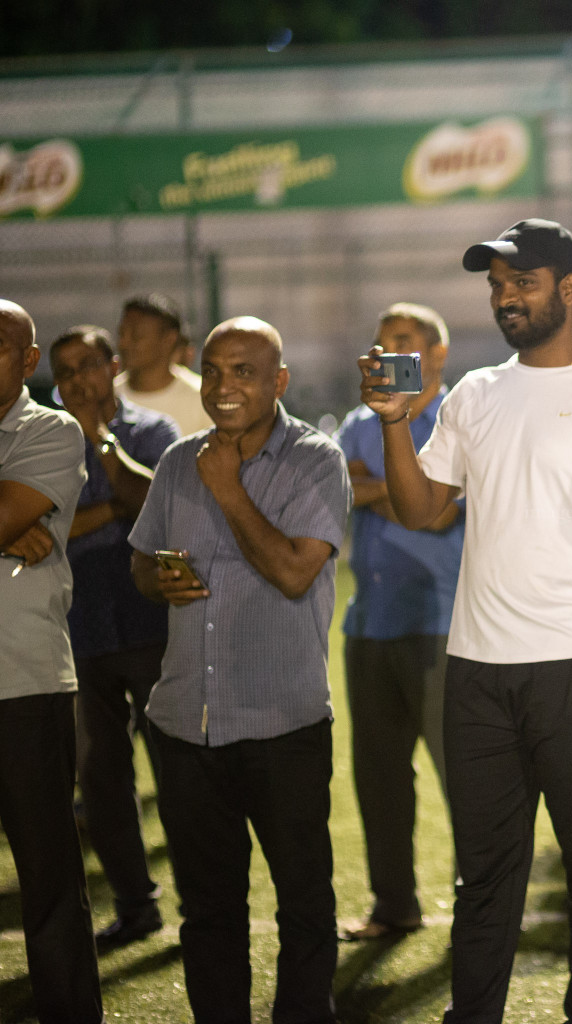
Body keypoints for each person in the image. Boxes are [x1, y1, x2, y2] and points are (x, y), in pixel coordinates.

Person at [359, 217, 572, 1024]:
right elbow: (423, 510)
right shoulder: (473, 393)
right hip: (477, 673)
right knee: (485, 870)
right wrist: (396, 420)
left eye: (521, 282)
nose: (505, 297)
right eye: (496, 284)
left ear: (567, 289)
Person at [129, 316, 350, 1024]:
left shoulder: (317, 460)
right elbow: (141, 560)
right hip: (184, 724)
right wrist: (155, 577)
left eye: (244, 372)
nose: (224, 387)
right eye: (215, 370)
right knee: (209, 911)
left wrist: (227, 487)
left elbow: (293, 572)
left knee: (305, 904)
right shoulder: (174, 462)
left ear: (278, 381)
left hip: (280, 723)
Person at [334, 302, 461, 941]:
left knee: (462, 775)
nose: (390, 356)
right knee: (379, 779)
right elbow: (338, 496)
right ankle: (394, 905)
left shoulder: (458, 418)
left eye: (405, 343)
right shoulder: (358, 424)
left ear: (438, 353)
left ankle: (484, 902)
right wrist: (402, 489)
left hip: (442, 618)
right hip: (369, 624)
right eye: (382, 345)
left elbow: (438, 515)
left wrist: (373, 485)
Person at [50, 325, 180, 949]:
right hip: (78, 630)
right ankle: (136, 905)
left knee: (179, 773)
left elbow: (159, 503)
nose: (78, 380)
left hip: (153, 623)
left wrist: (101, 443)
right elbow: (40, 529)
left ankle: (203, 899)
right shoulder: (42, 440)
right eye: (65, 371)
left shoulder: (153, 431)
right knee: (101, 783)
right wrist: (116, 511)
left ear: (114, 366)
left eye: (88, 365)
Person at [0, 299, 100, 1024]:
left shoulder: (50, 430)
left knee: (49, 879)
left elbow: (8, 513)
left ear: (29, 361)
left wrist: (9, 523)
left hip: (23, 684)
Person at [115, 294, 213, 436]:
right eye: (121, 334)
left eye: (137, 336)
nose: (123, 344)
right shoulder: (109, 396)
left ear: (169, 339)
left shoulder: (202, 397)